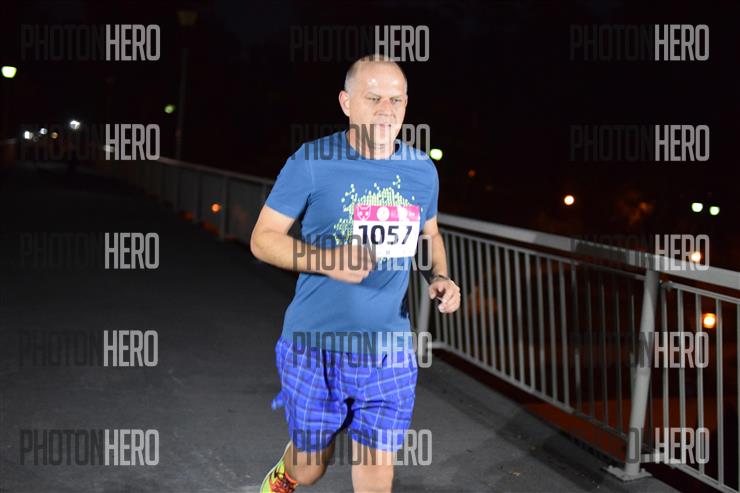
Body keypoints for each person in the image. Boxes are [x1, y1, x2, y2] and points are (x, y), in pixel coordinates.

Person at [251, 53, 460, 493]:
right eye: (373, 98)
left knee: (377, 471)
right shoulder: (311, 161)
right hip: (314, 345)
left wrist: (439, 277)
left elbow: (429, 236)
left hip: (389, 348)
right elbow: (263, 239)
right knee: (310, 469)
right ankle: (283, 477)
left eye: (396, 100)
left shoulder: (422, 169)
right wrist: (326, 260)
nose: (387, 109)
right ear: (346, 102)